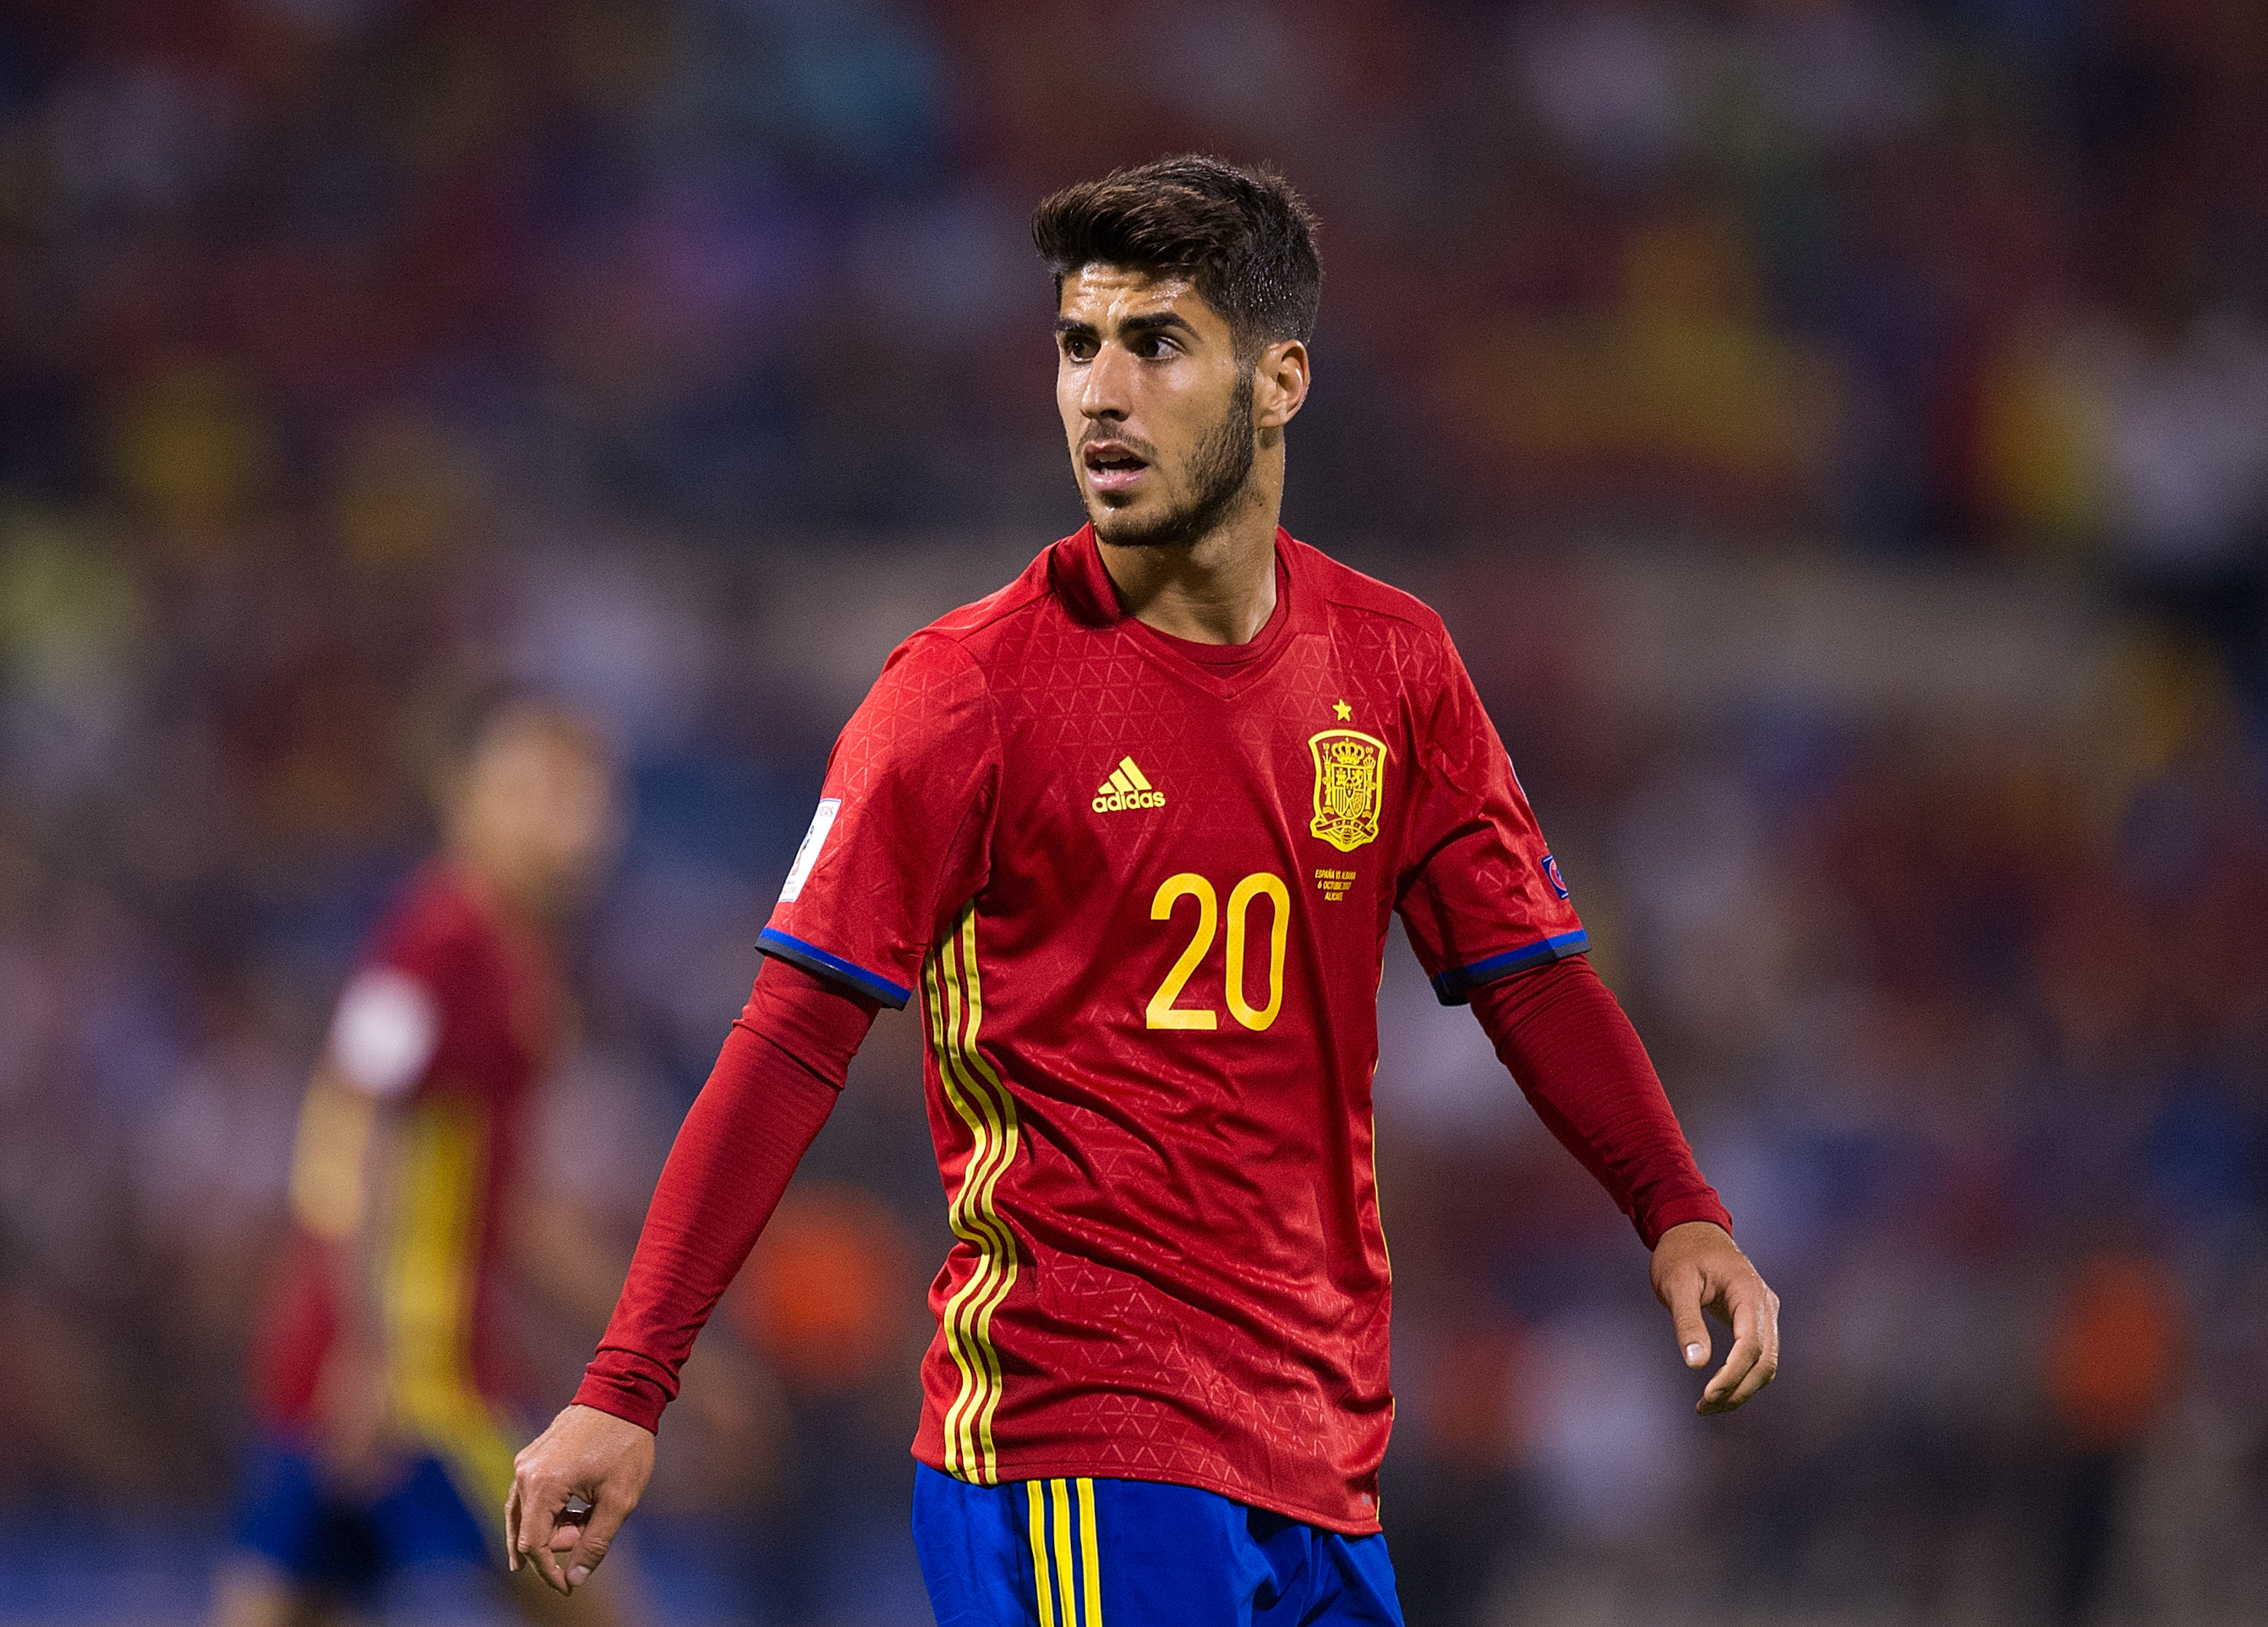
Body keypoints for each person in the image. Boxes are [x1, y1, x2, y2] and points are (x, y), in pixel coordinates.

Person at [507, 156, 1779, 1624]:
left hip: (1318, 1457)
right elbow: (790, 1041)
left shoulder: (1396, 668)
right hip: (1070, 1432)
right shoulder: (961, 696)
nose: (1099, 392)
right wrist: (627, 1383)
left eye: (1155, 343)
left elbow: (1531, 977)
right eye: (1075, 345)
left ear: (1281, 377)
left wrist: (1678, 1208)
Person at [216, 696, 643, 1627]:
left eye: (582, 796)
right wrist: (367, 1343)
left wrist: (651, 1345)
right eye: (534, 789)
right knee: (593, 1594)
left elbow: (508, 1204)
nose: (567, 821)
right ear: (464, 797)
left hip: (368, 1361)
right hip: (414, 1373)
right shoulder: (438, 943)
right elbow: (353, 1119)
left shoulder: (509, 954)